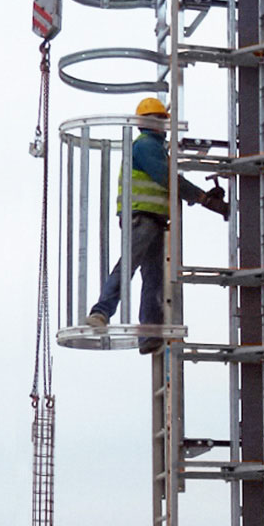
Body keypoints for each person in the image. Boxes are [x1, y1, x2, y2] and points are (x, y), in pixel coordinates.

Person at [86, 97, 229, 353]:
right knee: (129, 265)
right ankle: (101, 312)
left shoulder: (155, 148)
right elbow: (167, 178)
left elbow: (170, 178)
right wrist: (204, 199)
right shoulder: (146, 146)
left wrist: (201, 197)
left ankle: (149, 333)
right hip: (142, 217)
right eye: (160, 120)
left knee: (153, 277)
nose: (163, 125)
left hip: (154, 219)